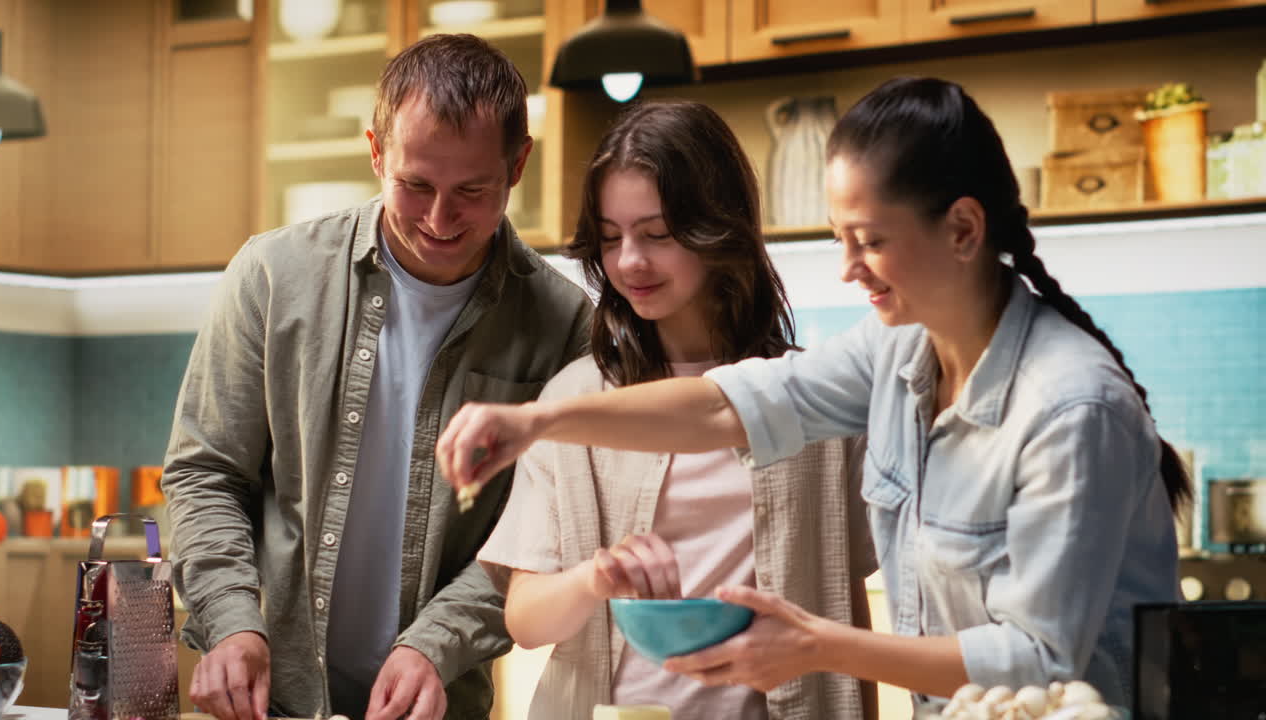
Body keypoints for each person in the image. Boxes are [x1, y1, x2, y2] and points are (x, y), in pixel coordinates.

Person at [437, 77, 1188, 710]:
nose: (850, 268)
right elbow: (725, 404)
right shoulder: (895, 354)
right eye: (841, 240)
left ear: (962, 229)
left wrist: (814, 646)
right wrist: (538, 421)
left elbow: (1036, 658)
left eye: (872, 240)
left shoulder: (1070, 406)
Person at [162, 34, 592, 720]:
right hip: (271, 701)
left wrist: (435, 645)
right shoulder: (272, 276)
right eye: (415, 184)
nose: (440, 218)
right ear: (374, 151)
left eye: (472, 191)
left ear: (518, 165)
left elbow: (544, 533)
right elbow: (206, 475)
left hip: (440, 704)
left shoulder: (564, 324)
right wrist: (232, 620)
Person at [473, 100, 878, 720]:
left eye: (657, 234)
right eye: (611, 238)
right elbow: (524, 620)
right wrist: (596, 578)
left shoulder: (809, 399)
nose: (630, 261)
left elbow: (844, 601)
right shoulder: (576, 401)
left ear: (720, 228)